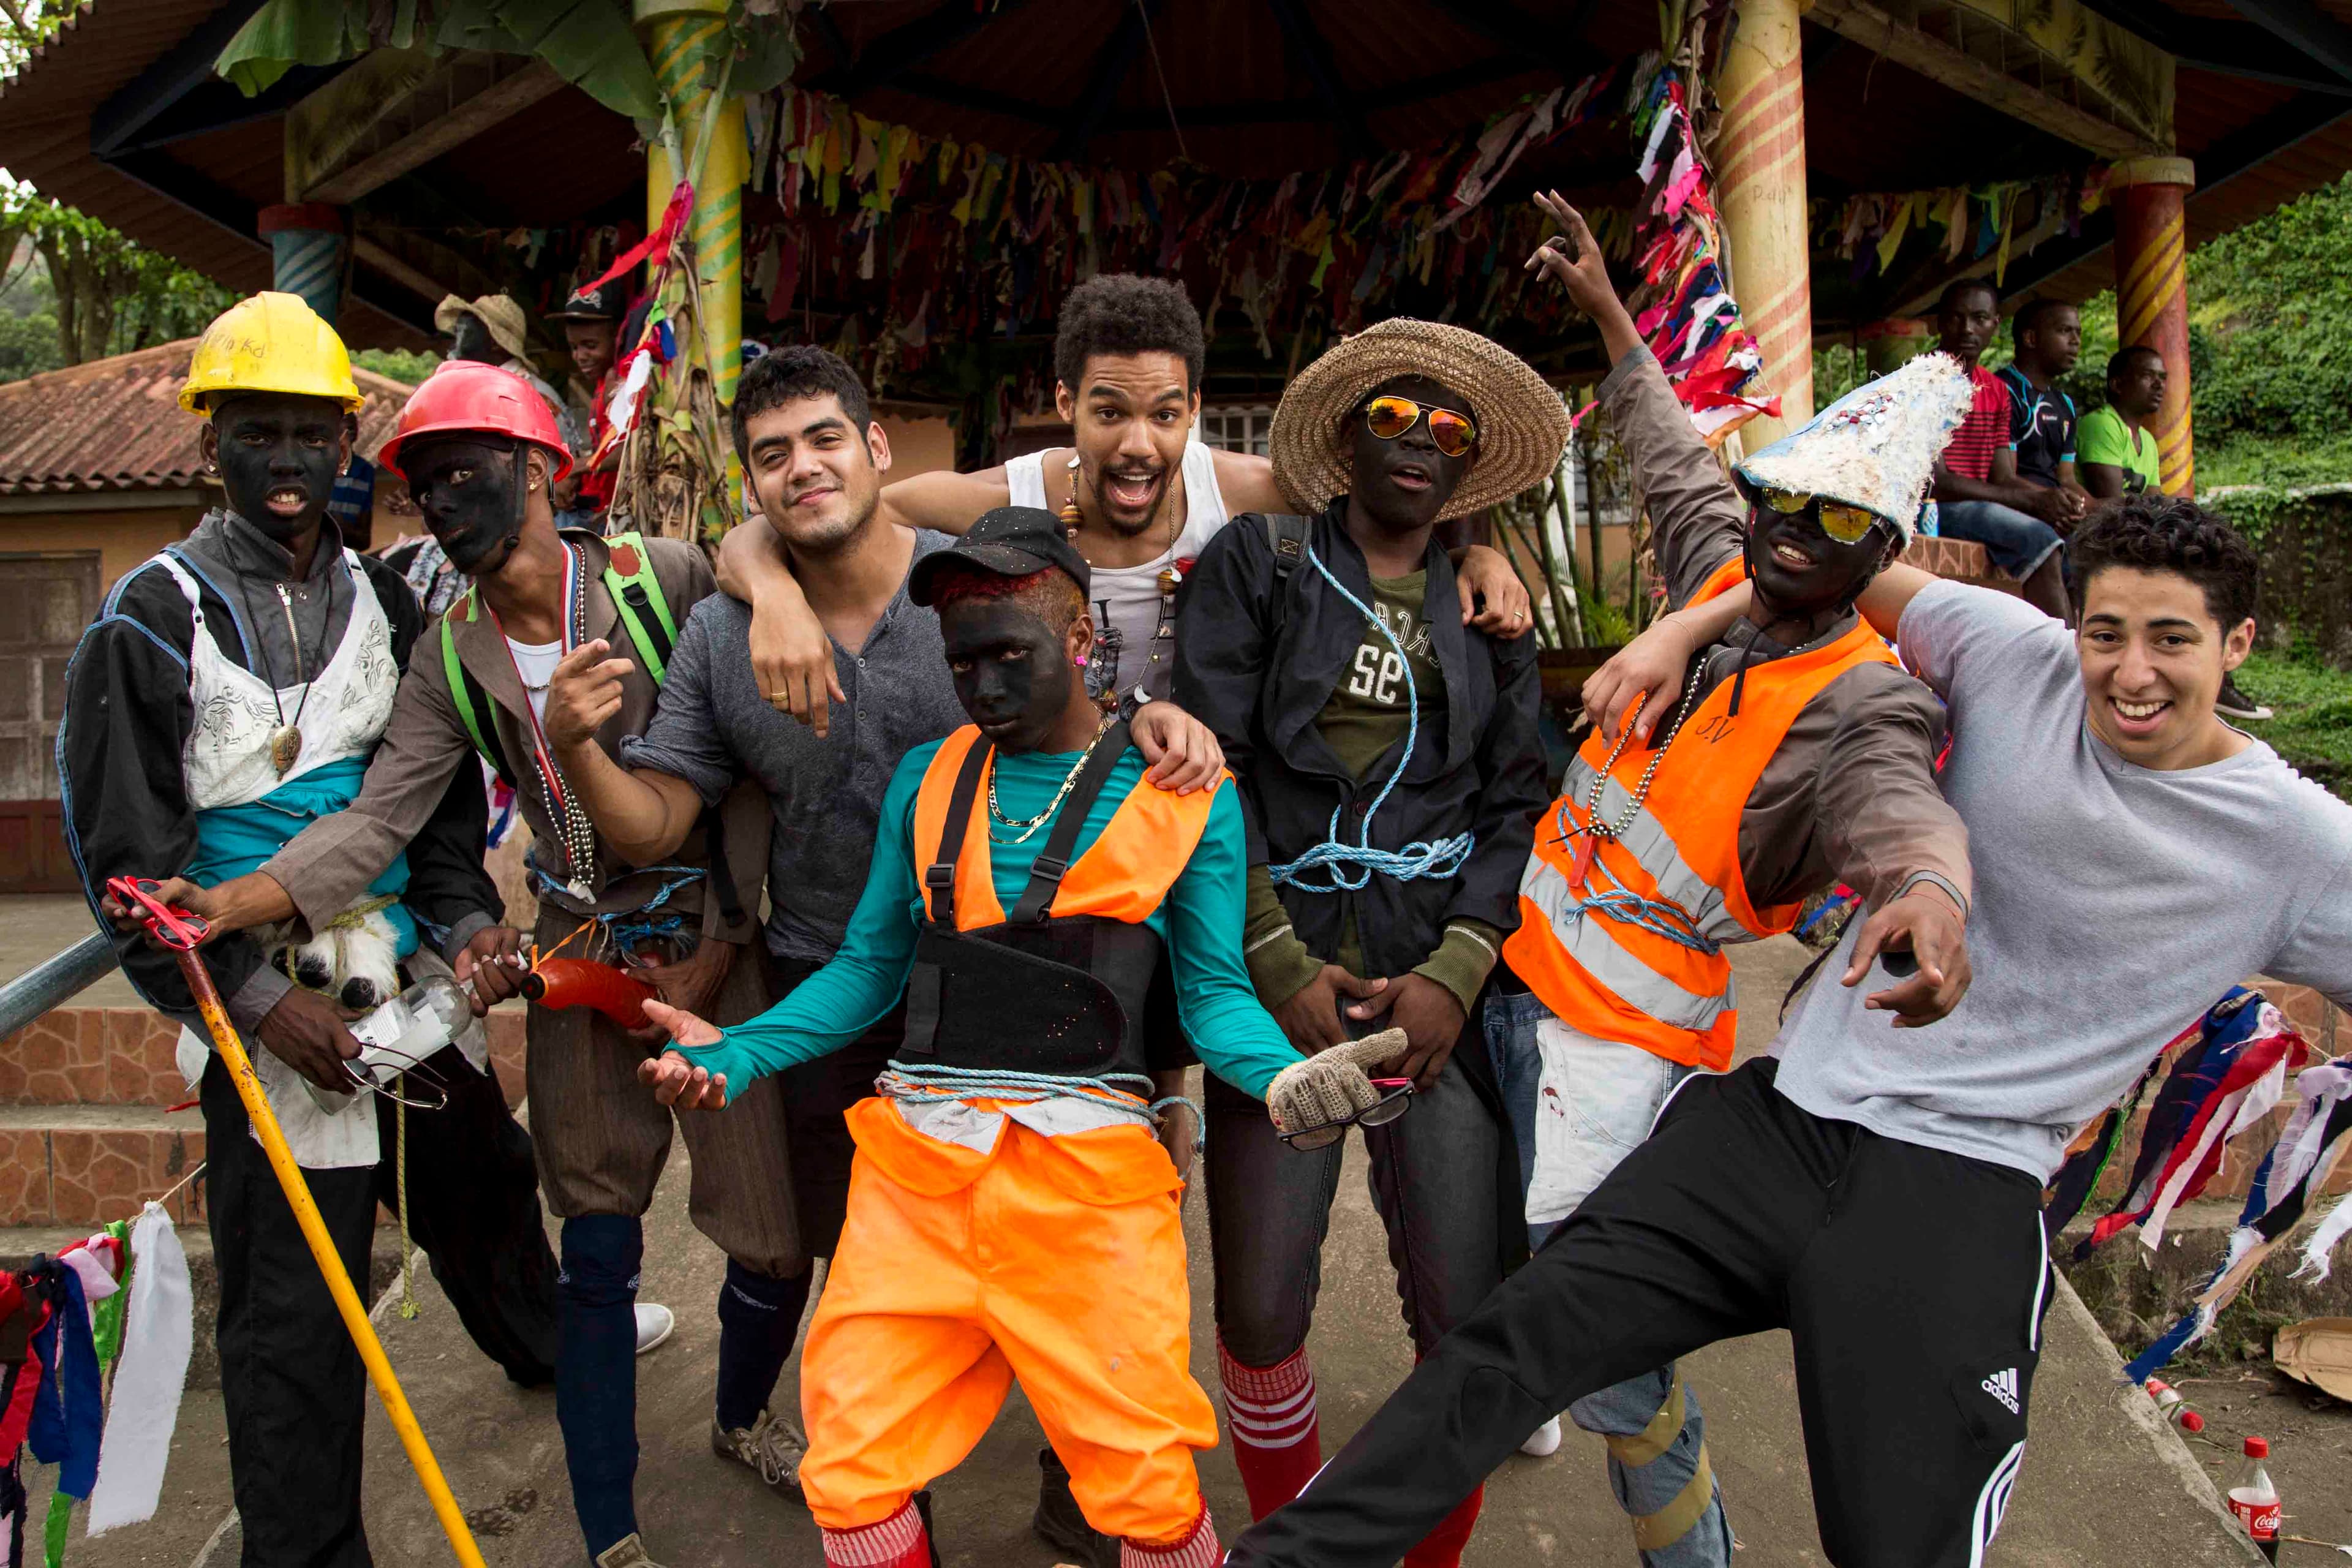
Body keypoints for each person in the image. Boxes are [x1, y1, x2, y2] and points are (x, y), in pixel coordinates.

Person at [1221, 489, 2352, 1568]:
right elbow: (1828, 563)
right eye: (2107, 633)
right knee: (1510, 1347)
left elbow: (1892, 795)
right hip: (1784, 1119)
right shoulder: (2015, 652)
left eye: (2172, 641)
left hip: (1960, 1178)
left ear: (2238, 644)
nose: (2131, 672)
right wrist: (1683, 630)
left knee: (1889, 1539)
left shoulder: (2295, 844)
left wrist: (1929, 881)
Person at [538, 343, 1229, 1566]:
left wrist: (1157, 721)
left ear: (875, 450)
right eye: (771, 454)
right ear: (751, 484)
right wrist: (577, 750)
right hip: (835, 984)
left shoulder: (963, 586)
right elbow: (657, 818)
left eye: (822, 438)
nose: (802, 468)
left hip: (1053, 1012)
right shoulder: (718, 630)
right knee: (863, 1315)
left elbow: (1087, 710)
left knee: (1098, 1342)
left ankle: (1094, 1488)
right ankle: (894, 1499)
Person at [635, 507, 1387, 1568]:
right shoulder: (928, 779)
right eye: (962, 664)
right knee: (847, 1469)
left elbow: (1215, 998)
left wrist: (1287, 1081)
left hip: (1089, 1181)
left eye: (1009, 657)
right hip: (917, 1170)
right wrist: (733, 1052)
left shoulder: (1184, 792)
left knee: (1146, 1487)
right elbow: (865, 972)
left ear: (1079, 637)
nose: (983, 687)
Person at [156, 361, 795, 1568]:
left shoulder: (659, 584)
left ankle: (743, 1411)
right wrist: (234, 899)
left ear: (544, 470)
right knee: (595, 1230)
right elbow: (381, 815)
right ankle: (609, 1526)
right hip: (578, 951)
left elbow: (757, 762)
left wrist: (729, 936)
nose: (447, 501)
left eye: (471, 471)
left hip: (717, 934)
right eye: (425, 484)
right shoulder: (452, 651)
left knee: (766, 1227)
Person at [1463, 197, 1976, 1567]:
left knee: (1623, 1379)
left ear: (1884, 557)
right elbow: (1675, 459)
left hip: (1613, 1045)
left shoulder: (1861, 706)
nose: (1792, 530)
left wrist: (1927, 889)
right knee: (1488, 1265)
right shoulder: (1726, 577)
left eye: (1836, 520)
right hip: (1501, 982)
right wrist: (1612, 314)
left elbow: (1896, 806)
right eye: (1781, 500)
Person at [63, 293, 559, 1568]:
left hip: (394, 965)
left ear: (348, 446)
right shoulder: (147, 619)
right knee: (297, 1310)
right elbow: (132, 870)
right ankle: (309, 1550)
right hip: (264, 997)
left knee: (484, 1179)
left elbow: (441, 809)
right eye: (257, 435)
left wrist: (459, 926)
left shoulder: (393, 609)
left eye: (311, 437)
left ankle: (544, 1345)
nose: (286, 465)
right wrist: (252, 1000)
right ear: (208, 442)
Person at [1169, 315, 1555, 1567]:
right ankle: (1293, 1540)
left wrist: (1459, 968)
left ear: (1468, 471)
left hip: (1432, 965)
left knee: (1463, 1309)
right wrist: (1274, 957)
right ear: (1346, 438)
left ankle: (1425, 1552)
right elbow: (1210, 770)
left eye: (1449, 432)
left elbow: (1518, 802)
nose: (1421, 441)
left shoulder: (1491, 609)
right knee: (1265, 1303)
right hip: (1277, 963)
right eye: (1395, 417)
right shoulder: (1260, 562)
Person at [712, 272, 1532, 733]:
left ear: (1195, 408)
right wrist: (777, 592)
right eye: (1110, 413)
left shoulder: (1248, 494)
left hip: (1204, 790)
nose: (1139, 443)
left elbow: (1387, 522)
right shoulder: (1011, 496)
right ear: (1067, 400)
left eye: (1164, 414)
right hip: (1048, 791)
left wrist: (1472, 558)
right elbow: (843, 510)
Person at [1926, 279, 2078, 622]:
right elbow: (1938, 483)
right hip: (1932, 511)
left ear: (1996, 324)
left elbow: (2003, 477)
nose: (1967, 329)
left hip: (1979, 507)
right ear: (1939, 322)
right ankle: (2064, 659)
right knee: (2039, 537)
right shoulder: (1923, 381)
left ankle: (2082, 650)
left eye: (1979, 319)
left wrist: (2052, 502)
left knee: (2078, 544)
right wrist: (2033, 502)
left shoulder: (1996, 390)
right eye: (1955, 318)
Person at [548, 276, 633, 531]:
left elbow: (628, 447)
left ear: (617, 335)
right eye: (574, 347)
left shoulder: (622, 379)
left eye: (590, 346)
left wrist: (575, 470)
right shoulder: (602, 380)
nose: (580, 357)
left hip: (611, 520)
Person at [1992, 298, 2089, 507]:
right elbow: (2004, 480)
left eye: (2078, 332)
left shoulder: (2065, 404)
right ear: (2031, 338)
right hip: (2016, 506)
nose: (2075, 341)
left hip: (2057, 506)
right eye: (2065, 330)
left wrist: (2100, 508)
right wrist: (2058, 502)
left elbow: (2067, 480)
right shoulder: (2002, 391)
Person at [2077, 345, 2167, 501]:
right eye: (2147, 376)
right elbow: (2112, 507)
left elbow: (2155, 503)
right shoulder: (2102, 424)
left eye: (2163, 377)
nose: (2159, 384)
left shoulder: (2148, 440)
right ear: (2117, 385)